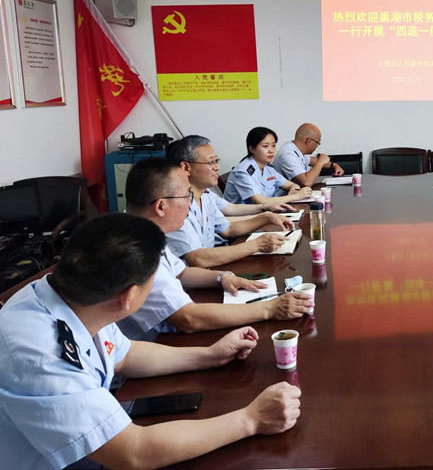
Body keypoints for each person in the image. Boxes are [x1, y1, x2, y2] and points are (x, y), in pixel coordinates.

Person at [0, 213, 301, 470]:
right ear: (129, 296)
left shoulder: (72, 295)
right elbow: (134, 451)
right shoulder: (42, 355)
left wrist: (210, 355)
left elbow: (125, 355)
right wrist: (251, 419)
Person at [121, 157, 313, 340]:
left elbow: (181, 272)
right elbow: (188, 318)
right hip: (154, 347)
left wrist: (221, 277)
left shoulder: (144, 232)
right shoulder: (133, 250)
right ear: (161, 206)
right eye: (186, 196)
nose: (190, 203)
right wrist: (269, 309)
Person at [165, 135, 295, 267]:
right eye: (211, 162)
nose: (217, 167)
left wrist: (266, 217)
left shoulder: (205, 195)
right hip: (192, 277)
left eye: (216, 161)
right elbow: (198, 258)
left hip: (213, 267)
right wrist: (257, 244)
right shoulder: (174, 204)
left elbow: (228, 229)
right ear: (186, 168)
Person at [224, 127, 313, 205]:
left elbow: (291, 185)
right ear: (252, 149)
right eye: (265, 146)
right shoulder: (243, 172)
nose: (271, 150)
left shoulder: (268, 169)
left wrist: (294, 189)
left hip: (265, 213)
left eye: (273, 146)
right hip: (245, 217)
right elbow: (261, 201)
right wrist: (296, 196)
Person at [273, 123, 344, 187]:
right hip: (282, 196)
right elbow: (306, 183)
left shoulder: (295, 148)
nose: (317, 146)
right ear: (308, 141)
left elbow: (312, 161)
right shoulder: (287, 155)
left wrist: (334, 165)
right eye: (318, 143)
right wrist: (321, 162)